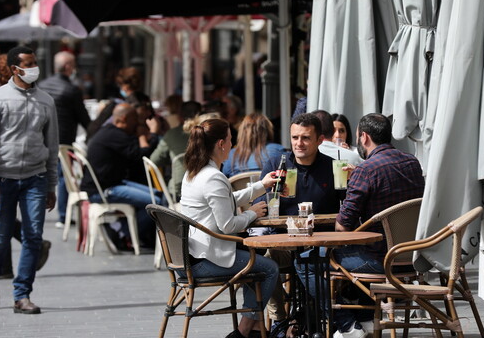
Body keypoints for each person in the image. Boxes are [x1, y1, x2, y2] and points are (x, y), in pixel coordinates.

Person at [295, 113, 425, 338]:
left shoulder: (367, 170)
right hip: (412, 258)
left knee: (306, 262)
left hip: (378, 261)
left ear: (363, 137)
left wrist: (358, 180)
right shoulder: (412, 162)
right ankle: (366, 319)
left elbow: (342, 228)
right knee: (354, 252)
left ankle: (347, 325)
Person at [180, 117, 280, 338]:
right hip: (205, 260)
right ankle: (243, 331)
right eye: (230, 140)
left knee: (254, 259)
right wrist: (252, 213)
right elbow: (227, 225)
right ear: (221, 144)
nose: (233, 145)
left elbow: (225, 200)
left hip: (190, 255)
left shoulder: (193, 172)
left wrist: (261, 186)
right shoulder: (213, 177)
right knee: (269, 268)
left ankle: (254, 329)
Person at [0, 45, 58, 314]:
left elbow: (52, 145)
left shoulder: (46, 100)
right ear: (14, 69)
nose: (34, 68)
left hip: (35, 177)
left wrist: (51, 184)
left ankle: (21, 295)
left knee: (33, 237)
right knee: (0, 237)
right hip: (2, 179)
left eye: (35, 62)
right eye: (28, 63)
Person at [256, 113, 340, 330]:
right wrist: (269, 197)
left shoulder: (333, 167)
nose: (298, 143)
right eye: (295, 138)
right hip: (283, 241)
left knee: (308, 262)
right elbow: (260, 203)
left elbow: (349, 205)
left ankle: (326, 316)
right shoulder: (278, 164)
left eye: (305, 138)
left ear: (320, 140)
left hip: (322, 244)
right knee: (264, 263)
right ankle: (280, 319)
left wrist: (354, 178)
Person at [80, 103, 163, 249]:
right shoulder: (115, 135)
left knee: (160, 196)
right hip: (104, 189)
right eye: (134, 119)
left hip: (112, 182)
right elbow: (141, 155)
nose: (137, 122)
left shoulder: (110, 131)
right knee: (156, 203)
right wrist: (154, 133)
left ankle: (119, 227)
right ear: (124, 118)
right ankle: (120, 232)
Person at [38, 51, 91, 228]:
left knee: (41, 175)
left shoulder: (42, 86)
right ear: (68, 66)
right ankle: (62, 215)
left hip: (42, 138)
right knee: (63, 177)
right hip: (63, 140)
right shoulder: (71, 90)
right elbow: (84, 118)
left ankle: (37, 210)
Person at [149, 100, 201, 201]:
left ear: (179, 117)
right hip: (205, 190)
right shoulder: (208, 133)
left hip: (178, 192)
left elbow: (153, 161)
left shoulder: (172, 134)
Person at [222, 113, 286, 178]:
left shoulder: (231, 155)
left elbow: (225, 178)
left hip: (240, 188)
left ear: (242, 131)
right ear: (267, 130)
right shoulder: (278, 150)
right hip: (268, 188)